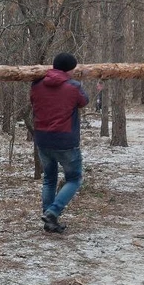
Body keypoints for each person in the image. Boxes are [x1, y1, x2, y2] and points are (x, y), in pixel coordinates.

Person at [30, 52, 88, 233]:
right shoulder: (73, 86)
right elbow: (84, 101)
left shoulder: (37, 85)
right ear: (70, 69)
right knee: (74, 178)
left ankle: (49, 219)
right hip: (65, 141)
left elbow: (33, 101)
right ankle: (53, 212)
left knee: (49, 179)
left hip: (42, 139)